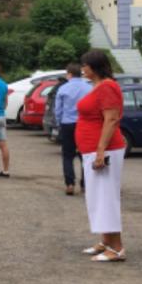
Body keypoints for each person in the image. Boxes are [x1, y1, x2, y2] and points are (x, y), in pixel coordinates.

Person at [76, 50, 127, 262]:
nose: (82, 69)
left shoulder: (108, 87)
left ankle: (117, 248)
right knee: (97, 197)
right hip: (93, 149)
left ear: (94, 66)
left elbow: (112, 119)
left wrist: (100, 150)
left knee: (106, 197)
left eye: (85, 65)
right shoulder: (98, 86)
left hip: (104, 150)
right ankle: (106, 240)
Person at [54, 63, 92, 196]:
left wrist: (59, 123)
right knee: (85, 155)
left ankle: (70, 184)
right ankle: (85, 184)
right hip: (84, 124)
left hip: (67, 124)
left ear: (69, 74)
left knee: (68, 155)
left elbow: (58, 109)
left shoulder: (63, 88)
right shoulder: (89, 88)